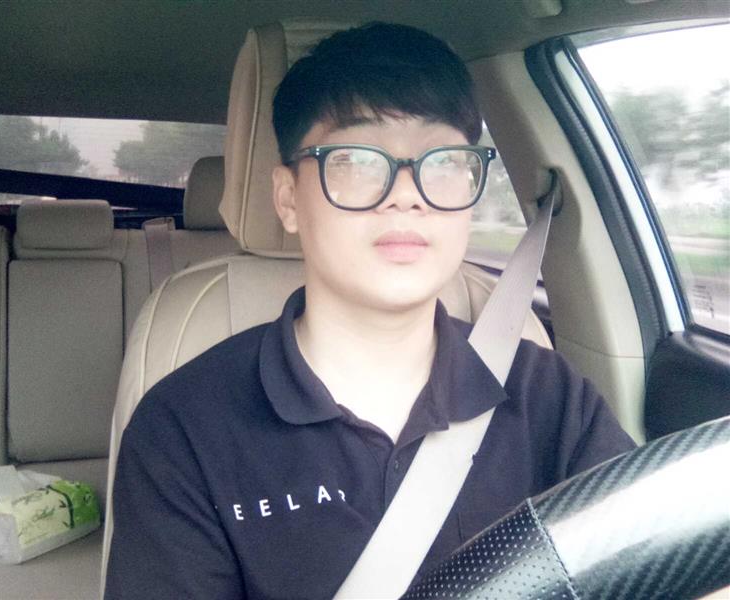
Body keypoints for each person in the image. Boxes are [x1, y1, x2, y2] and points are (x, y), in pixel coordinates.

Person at [105, 22, 636, 599]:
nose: (406, 195)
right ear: (288, 198)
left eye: (443, 162)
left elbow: (648, 559)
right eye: (357, 161)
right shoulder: (184, 430)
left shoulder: (547, 394)